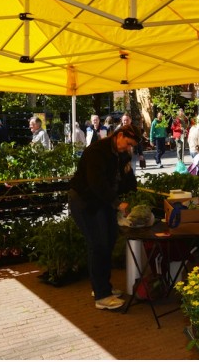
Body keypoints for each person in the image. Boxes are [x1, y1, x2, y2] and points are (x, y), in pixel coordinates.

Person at [68, 124, 140, 310]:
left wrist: (132, 190)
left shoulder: (121, 154)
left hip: (102, 201)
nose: (128, 148)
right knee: (98, 243)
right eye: (127, 143)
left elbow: (126, 178)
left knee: (108, 240)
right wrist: (117, 203)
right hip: (85, 201)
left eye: (131, 146)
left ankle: (102, 287)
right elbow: (96, 183)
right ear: (120, 135)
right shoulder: (96, 152)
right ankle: (101, 296)